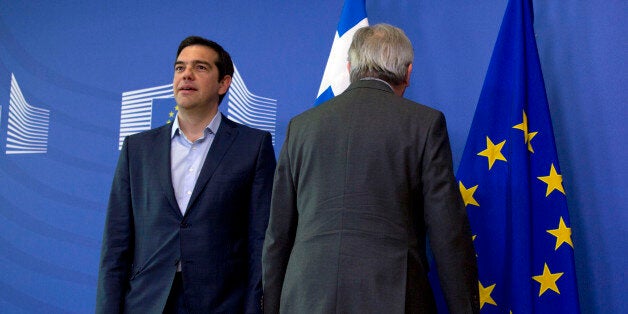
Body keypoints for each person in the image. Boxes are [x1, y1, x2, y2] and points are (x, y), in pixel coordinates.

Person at [262, 24, 479, 313]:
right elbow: (447, 232)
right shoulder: (424, 125)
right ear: (408, 72)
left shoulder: (301, 127)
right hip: (390, 295)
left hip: (306, 296)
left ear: (351, 67)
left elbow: (278, 235)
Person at [96, 36, 276, 313]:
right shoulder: (137, 149)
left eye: (200, 67)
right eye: (180, 68)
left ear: (223, 83)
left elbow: (260, 242)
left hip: (222, 304)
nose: (187, 75)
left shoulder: (253, 146)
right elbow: (116, 245)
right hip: (147, 303)